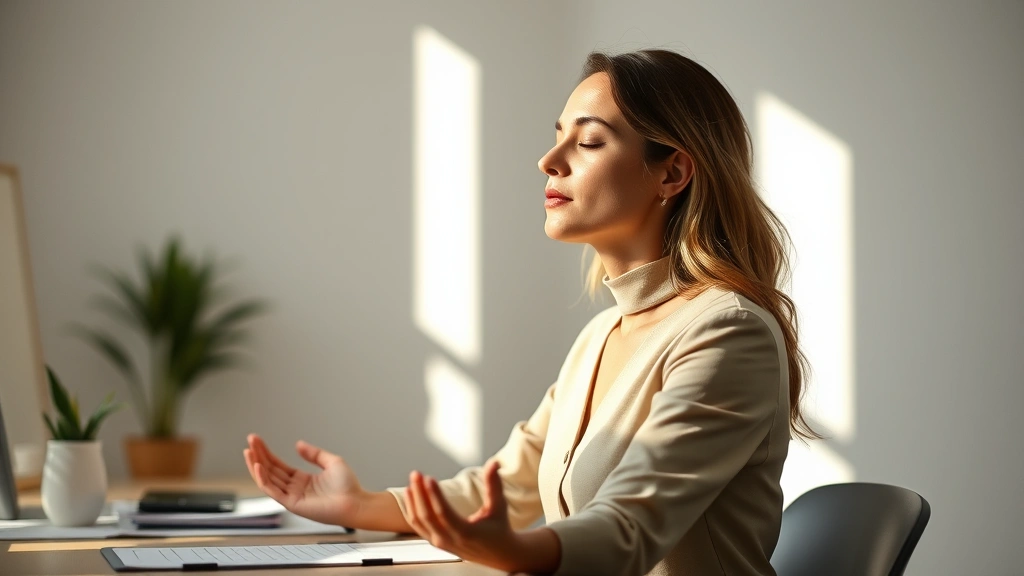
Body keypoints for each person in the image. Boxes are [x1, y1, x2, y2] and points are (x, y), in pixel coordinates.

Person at [244, 49, 816, 576]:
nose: (549, 161)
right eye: (557, 137)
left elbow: (632, 527)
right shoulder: (600, 336)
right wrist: (358, 503)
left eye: (588, 143)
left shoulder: (728, 331)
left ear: (671, 173)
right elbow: (505, 486)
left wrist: (516, 550)